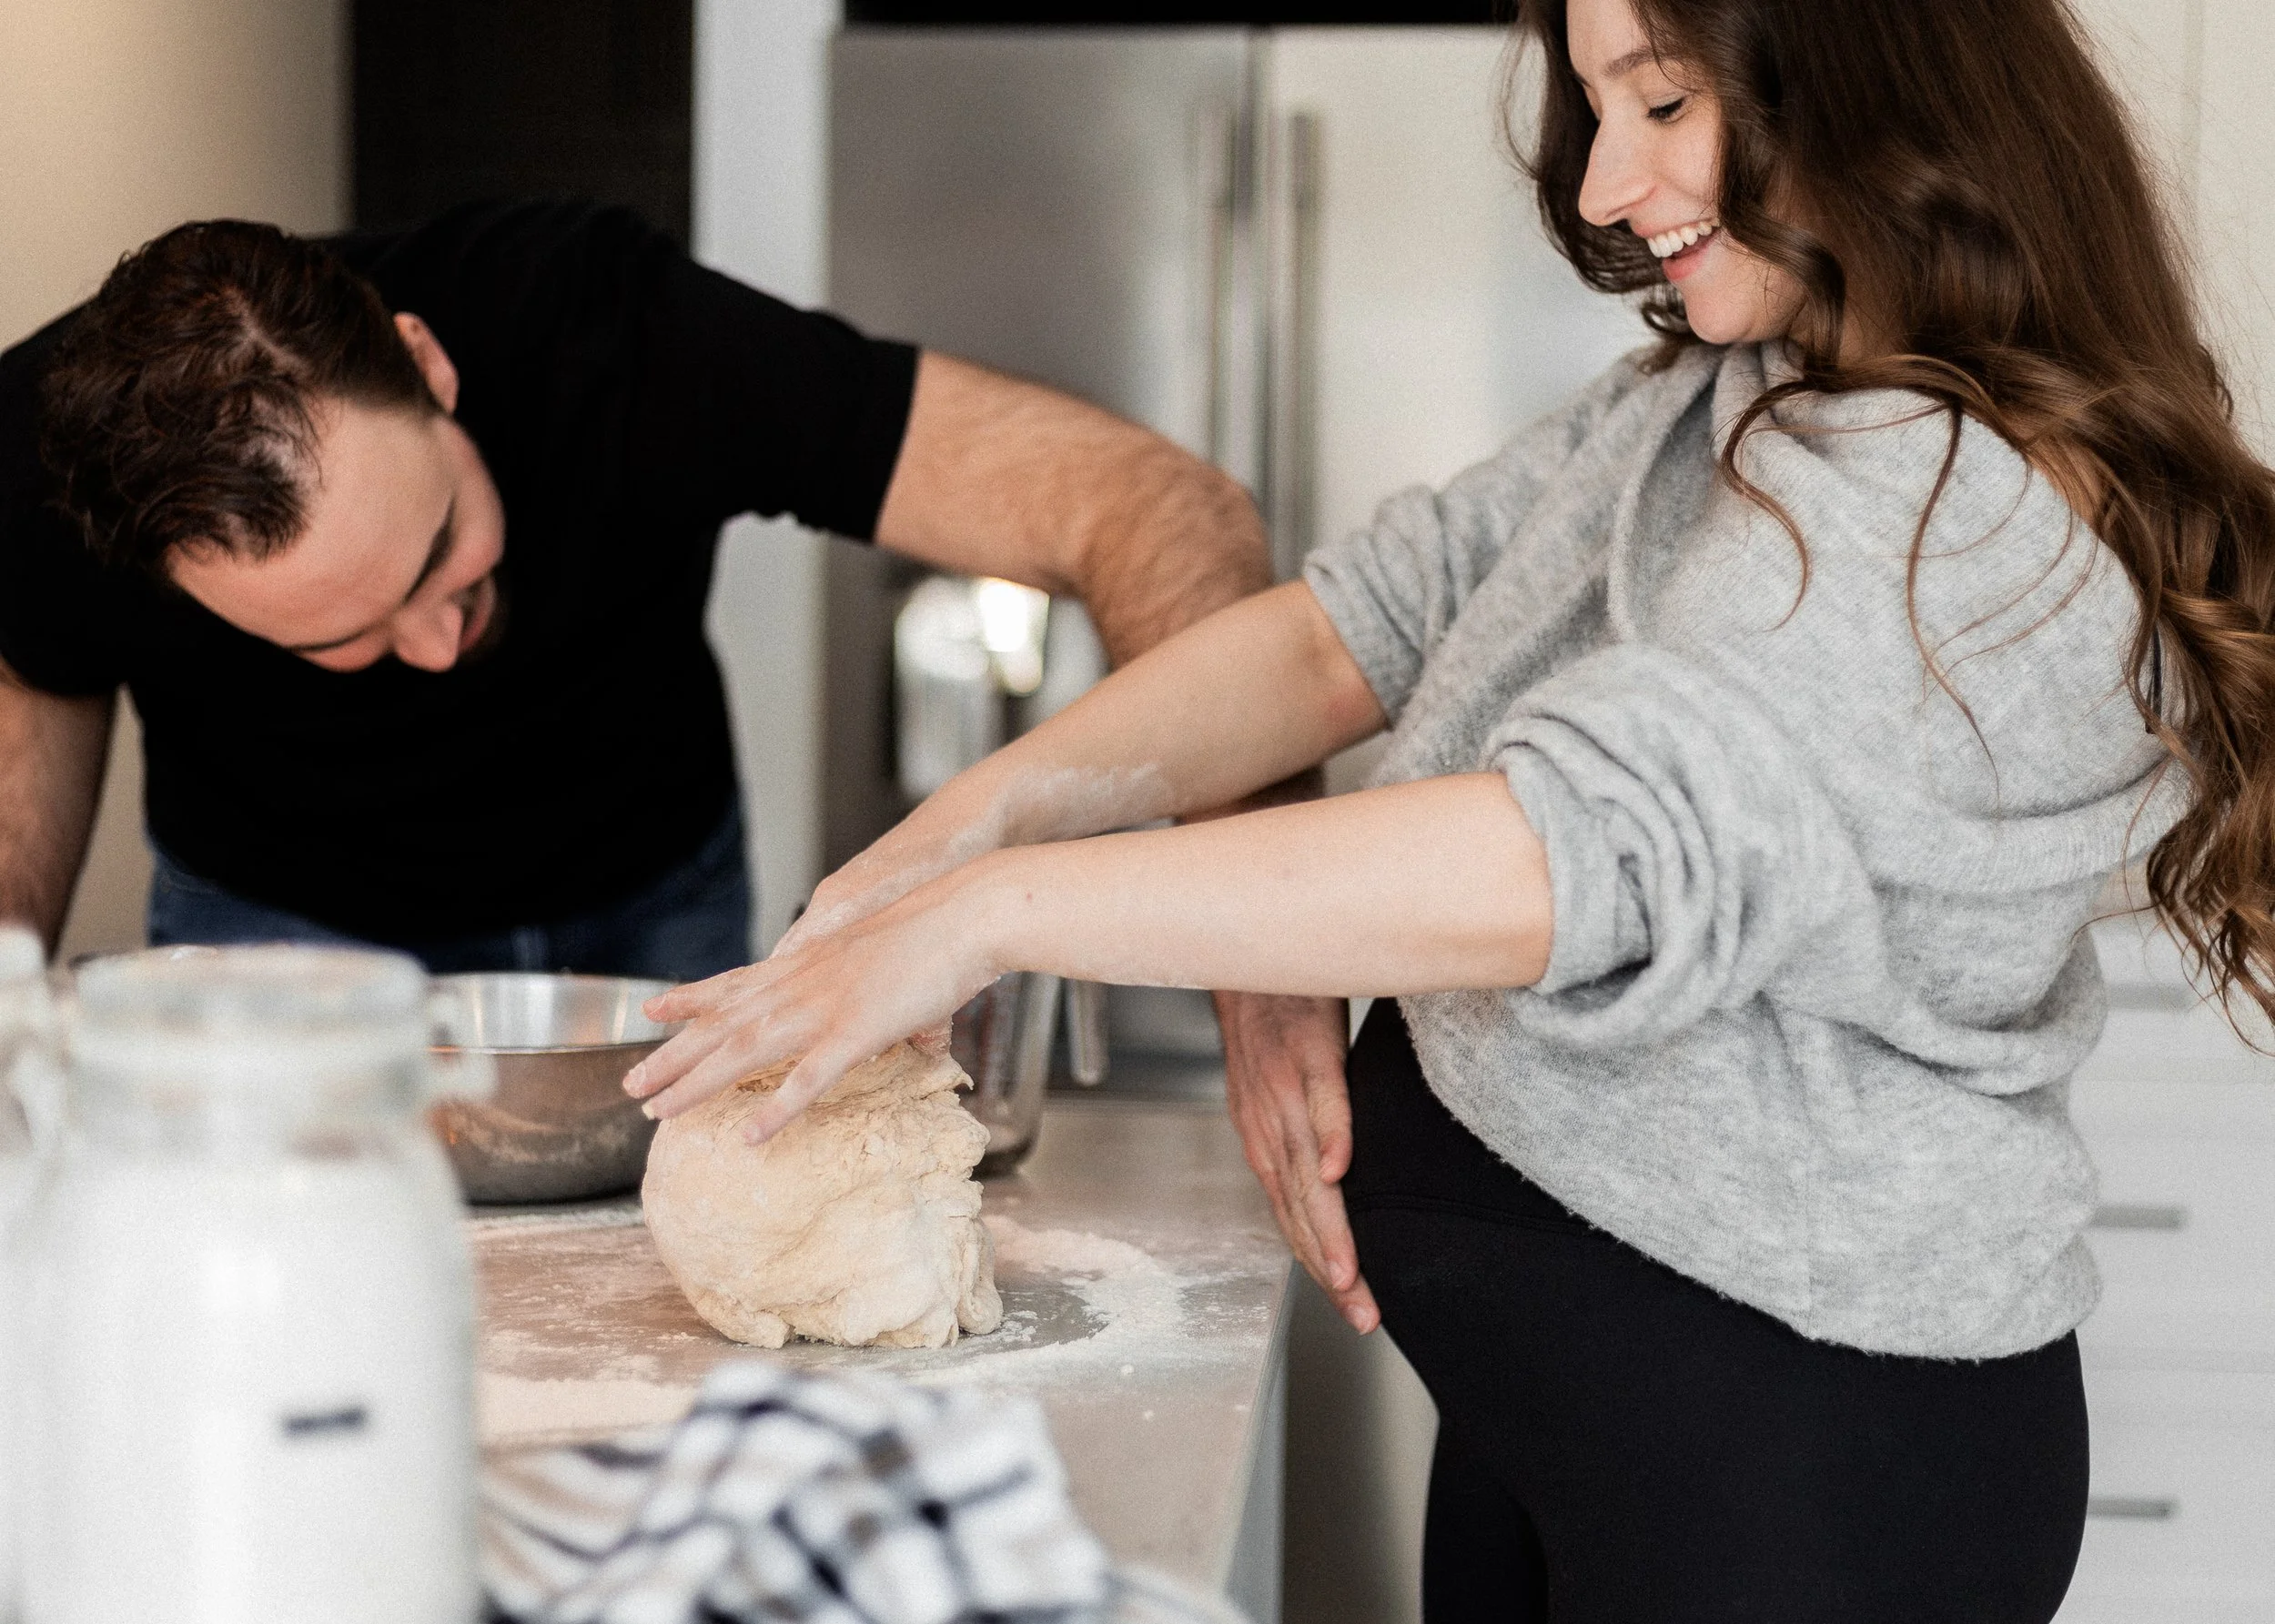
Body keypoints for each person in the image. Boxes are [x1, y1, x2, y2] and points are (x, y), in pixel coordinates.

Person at [623, 0, 2275, 1617]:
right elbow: (1347, 632)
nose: (1611, 186)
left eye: (1665, 102)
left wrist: (995, 914)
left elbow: (1571, 855)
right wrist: (942, 847)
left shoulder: (1964, 517)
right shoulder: (1722, 398)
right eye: (1597, 112)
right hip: (1597, 1423)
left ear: (1874, 80)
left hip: (1808, 1464)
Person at [0, 198, 1274, 983]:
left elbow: (1151, 504)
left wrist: (1251, 944)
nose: (439, 647)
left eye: (442, 544)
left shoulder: (608, 327)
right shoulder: (42, 471)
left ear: (426, 362)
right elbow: (30, 668)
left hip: (651, 915)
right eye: (341, 636)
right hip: (274, 939)